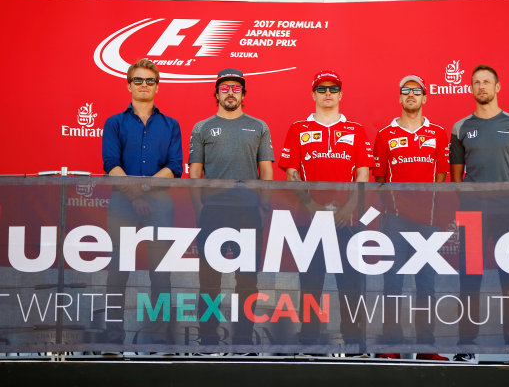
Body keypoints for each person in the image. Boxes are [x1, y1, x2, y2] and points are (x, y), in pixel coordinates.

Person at [279, 70, 375, 352]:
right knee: (310, 280)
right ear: (313, 95)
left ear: (341, 94)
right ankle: (309, 339)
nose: (328, 93)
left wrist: (349, 207)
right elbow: (291, 174)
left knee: (351, 281)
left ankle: (354, 340)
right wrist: (311, 206)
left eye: (333, 89)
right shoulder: (298, 128)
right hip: (309, 220)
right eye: (322, 89)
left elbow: (363, 175)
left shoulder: (355, 130)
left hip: (348, 221)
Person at [449, 65, 509, 364]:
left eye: (487, 82)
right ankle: (465, 346)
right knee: (468, 281)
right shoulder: (460, 127)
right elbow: (456, 179)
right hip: (472, 214)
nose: (481, 86)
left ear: (497, 87)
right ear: (471, 89)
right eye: (476, 83)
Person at [189, 68, 274, 348]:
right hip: (213, 211)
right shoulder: (201, 127)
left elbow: (266, 172)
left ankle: (243, 341)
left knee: (247, 280)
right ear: (216, 93)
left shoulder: (259, 126)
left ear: (244, 95)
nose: (230, 92)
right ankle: (208, 340)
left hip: (248, 212)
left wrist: (264, 206)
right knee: (209, 280)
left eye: (236, 88)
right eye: (224, 87)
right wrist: (199, 208)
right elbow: (194, 174)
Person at [101, 58, 183, 345]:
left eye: (150, 81)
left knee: (160, 271)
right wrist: (135, 196)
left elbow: (175, 167)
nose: (144, 85)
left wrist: (144, 188)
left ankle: (159, 339)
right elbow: (111, 164)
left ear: (157, 87)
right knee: (117, 269)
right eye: (139, 80)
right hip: (123, 203)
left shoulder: (171, 124)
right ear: (129, 85)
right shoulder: (114, 123)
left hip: (160, 203)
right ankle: (112, 337)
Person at [372, 75, 449, 360]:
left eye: (417, 91)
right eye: (406, 91)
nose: (411, 95)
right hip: (394, 219)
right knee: (392, 281)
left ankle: (426, 348)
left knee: (425, 283)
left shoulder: (438, 133)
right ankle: (390, 344)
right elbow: (379, 179)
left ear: (425, 98)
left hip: (427, 220)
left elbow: (441, 177)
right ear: (400, 98)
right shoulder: (385, 134)